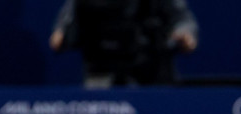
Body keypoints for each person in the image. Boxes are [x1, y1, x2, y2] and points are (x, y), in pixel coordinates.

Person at [49, 0, 198, 87]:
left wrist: (185, 34)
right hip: (102, 72)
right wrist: (61, 32)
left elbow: (182, 20)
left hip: (152, 73)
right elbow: (66, 24)